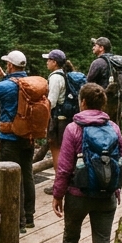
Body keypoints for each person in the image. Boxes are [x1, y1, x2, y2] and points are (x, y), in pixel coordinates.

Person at [53, 83, 122, 243]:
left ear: (82, 103)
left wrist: (57, 195)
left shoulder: (74, 129)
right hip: (106, 197)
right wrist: (116, 188)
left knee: (71, 236)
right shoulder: (113, 128)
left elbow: (64, 168)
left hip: (78, 194)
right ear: (102, 104)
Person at [0, 51, 40, 230]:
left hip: (10, 138)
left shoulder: (6, 85)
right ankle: (29, 217)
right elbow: (16, 89)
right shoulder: (29, 83)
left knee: (13, 177)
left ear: (10, 65)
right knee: (27, 175)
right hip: (28, 136)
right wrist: (4, 77)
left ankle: (17, 221)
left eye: (7, 63)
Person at [41, 50, 84, 195]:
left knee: (57, 152)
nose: (46, 62)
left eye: (49, 60)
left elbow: (51, 102)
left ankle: (59, 184)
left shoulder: (55, 78)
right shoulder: (64, 75)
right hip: (67, 119)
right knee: (67, 151)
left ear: (54, 62)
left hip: (58, 120)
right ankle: (68, 182)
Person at [85, 37, 122, 127]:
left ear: (101, 48)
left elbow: (88, 83)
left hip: (102, 102)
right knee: (114, 127)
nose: (93, 47)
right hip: (116, 101)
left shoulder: (98, 63)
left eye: (95, 46)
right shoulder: (116, 62)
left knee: (101, 128)